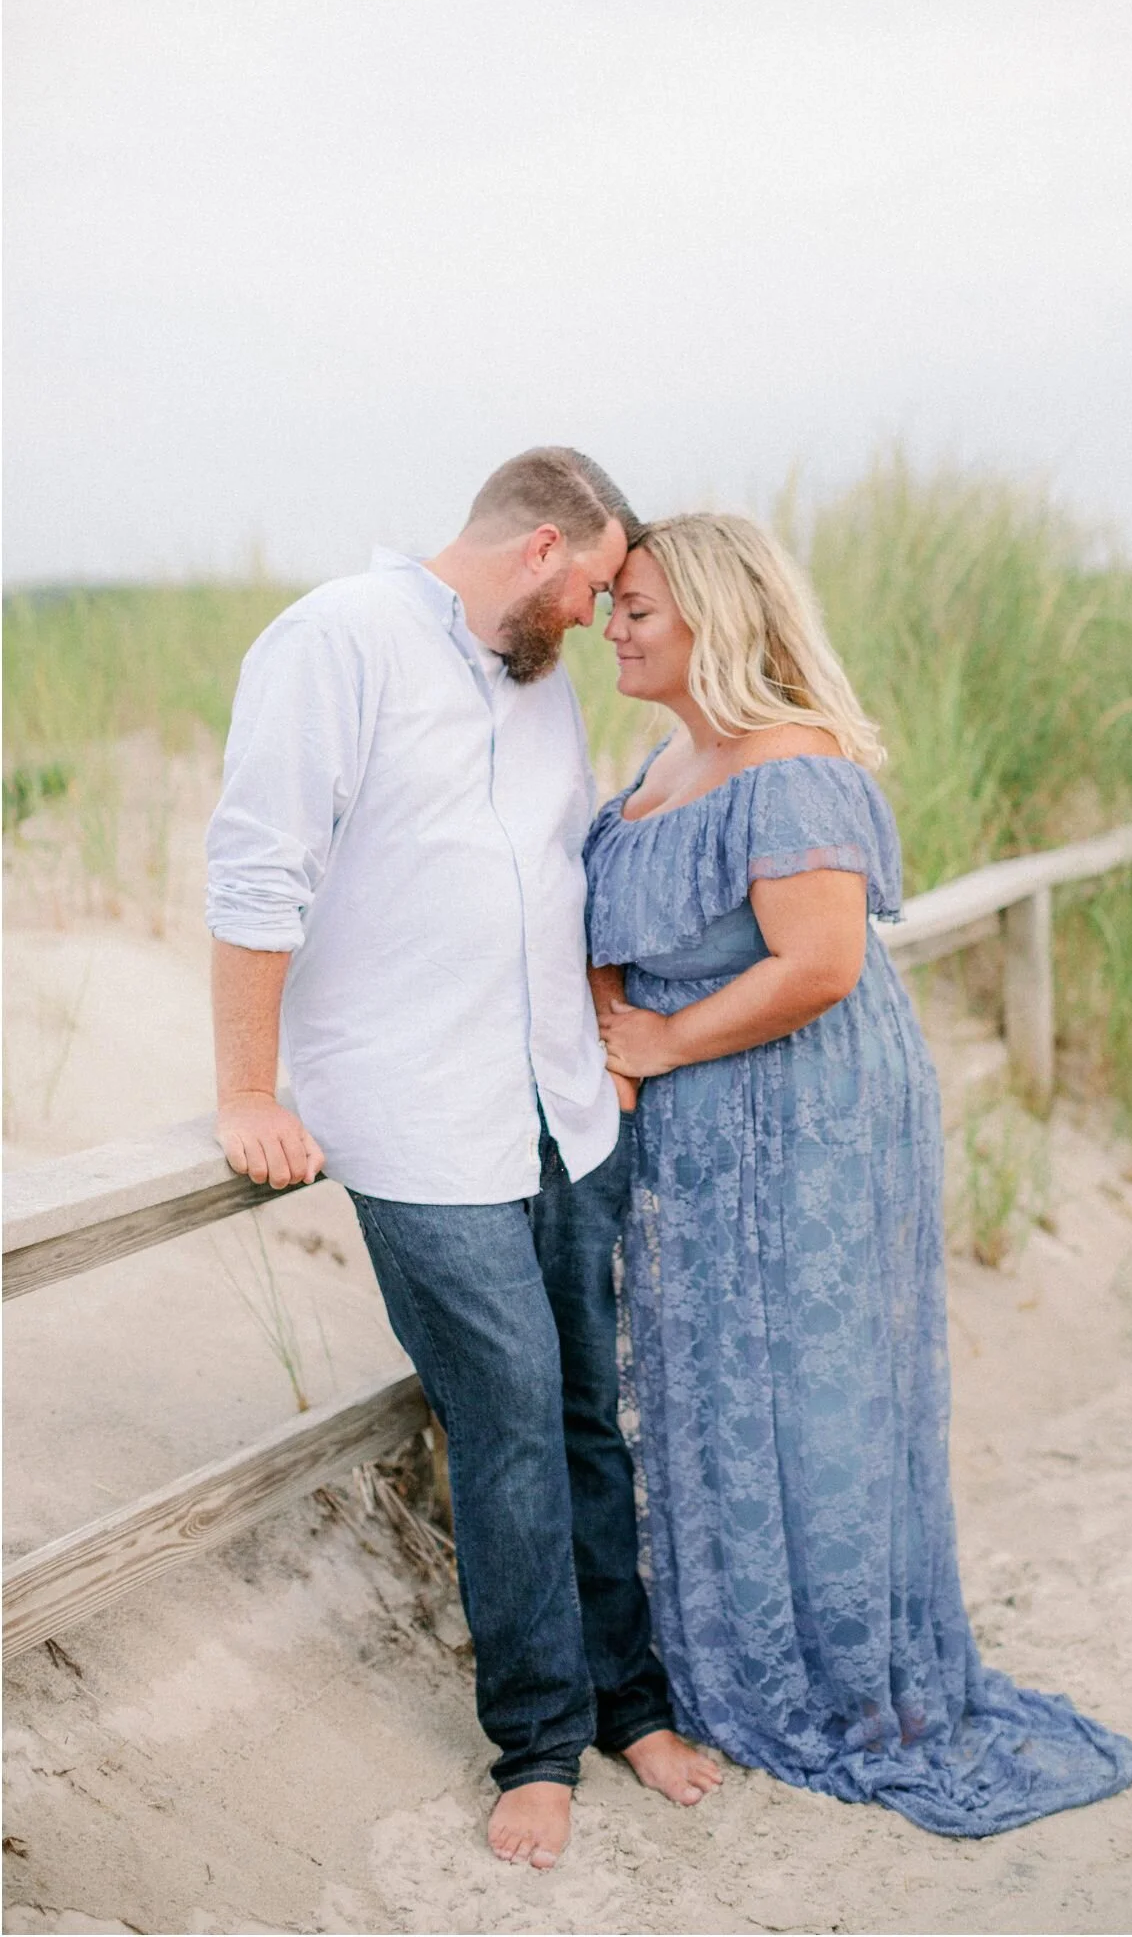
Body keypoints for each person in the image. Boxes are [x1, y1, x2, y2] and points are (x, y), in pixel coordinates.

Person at [587, 512, 1132, 1835]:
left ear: (716, 623)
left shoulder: (792, 769)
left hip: (803, 1115)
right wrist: (614, 1033)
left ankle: (840, 1676)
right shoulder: (667, 755)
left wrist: (656, 1039)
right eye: (613, 604)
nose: (613, 628)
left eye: (640, 610)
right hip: (696, 1118)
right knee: (720, 1381)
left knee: (813, 1394)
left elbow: (822, 964)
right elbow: (606, 900)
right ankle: (739, 1648)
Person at [205, 449, 720, 1873]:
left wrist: (615, 1033)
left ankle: (633, 1703)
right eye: (604, 586)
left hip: (561, 1104)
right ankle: (540, 1741)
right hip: (419, 1120)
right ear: (544, 552)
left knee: (581, 1416)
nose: (609, 619)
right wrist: (249, 1088)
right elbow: (257, 869)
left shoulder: (536, 679)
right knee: (502, 1417)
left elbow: (559, 873)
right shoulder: (333, 642)